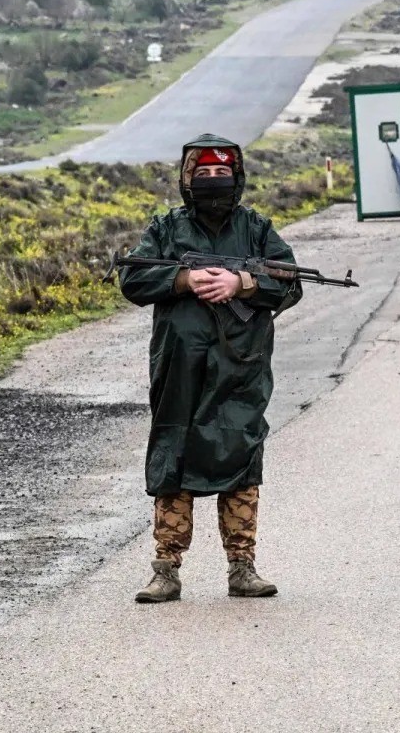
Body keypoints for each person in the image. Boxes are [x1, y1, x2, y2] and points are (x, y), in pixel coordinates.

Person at [118, 134, 302, 603]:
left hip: (240, 366)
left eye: (222, 174)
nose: (213, 182)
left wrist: (241, 282)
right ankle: (166, 570)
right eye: (203, 174)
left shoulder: (256, 229)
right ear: (187, 179)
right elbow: (133, 277)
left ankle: (242, 567)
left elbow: (290, 281)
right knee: (173, 454)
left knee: (239, 455)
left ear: (237, 177)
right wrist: (184, 279)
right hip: (180, 366)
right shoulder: (165, 229)